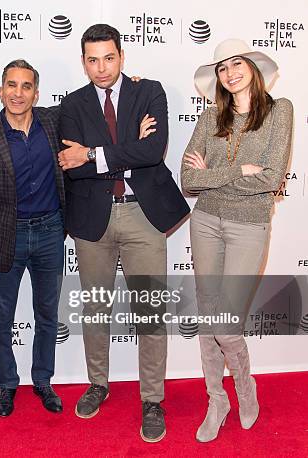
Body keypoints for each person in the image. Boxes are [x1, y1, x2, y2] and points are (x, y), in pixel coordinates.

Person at [57, 24, 190, 442]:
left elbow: (153, 152)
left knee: (150, 312)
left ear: (122, 56)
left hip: (143, 217)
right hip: (92, 219)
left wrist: (95, 154)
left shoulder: (148, 91)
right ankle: (98, 383)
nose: (101, 68)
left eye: (109, 58)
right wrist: (125, 152)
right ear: (83, 61)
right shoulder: (73, 105)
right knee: (96, 308)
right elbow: (70, 165)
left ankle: (152, 399)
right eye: (92, 60)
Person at [181, 39, 293, 442]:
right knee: (210, 317)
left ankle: (245, 388)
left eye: (237, 63)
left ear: (253, 67)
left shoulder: (280, 112)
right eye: (222, 67)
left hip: (249, 225)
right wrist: (238, 169)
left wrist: (218, 172)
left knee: (223, 324)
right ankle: (217, 399)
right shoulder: (210, 117)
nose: (230, 72)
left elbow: (269, 177)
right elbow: (189, 180)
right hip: (206, 221)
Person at [0, 59, 66, 417]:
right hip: (5, 236)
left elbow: (94, 102)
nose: (18, 93)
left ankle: (43, 380)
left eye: (26, 86)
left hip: (51, 231)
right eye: (12, 85)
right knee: (2, 316)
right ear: (0, 90)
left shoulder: (54, 122)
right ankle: (7, 384)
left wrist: (131, 85)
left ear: (36, 93)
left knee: (47, 313)